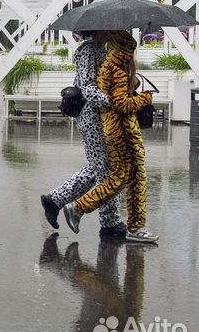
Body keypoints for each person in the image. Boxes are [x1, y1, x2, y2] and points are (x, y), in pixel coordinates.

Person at [63, 31, 158, 243]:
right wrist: (144, 98)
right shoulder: (101, 59)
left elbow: (115, 94)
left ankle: (109, 220)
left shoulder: (109, 62)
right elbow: (116, 101)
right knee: (119, 175)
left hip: (113, 125)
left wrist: (129, 87)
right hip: (116, 127)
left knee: (118, 174)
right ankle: (81, 209)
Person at [41, 31, 126, 237]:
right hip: (91, 116)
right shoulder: (88, 51)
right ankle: (109, 223)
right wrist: (112, 101)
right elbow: (87, 87)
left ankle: (55, 200)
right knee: (106, 170)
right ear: (96, 29)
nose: (112, 32)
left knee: (100, 168)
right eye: (108, 28)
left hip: (101, 116)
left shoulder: (101, 50)